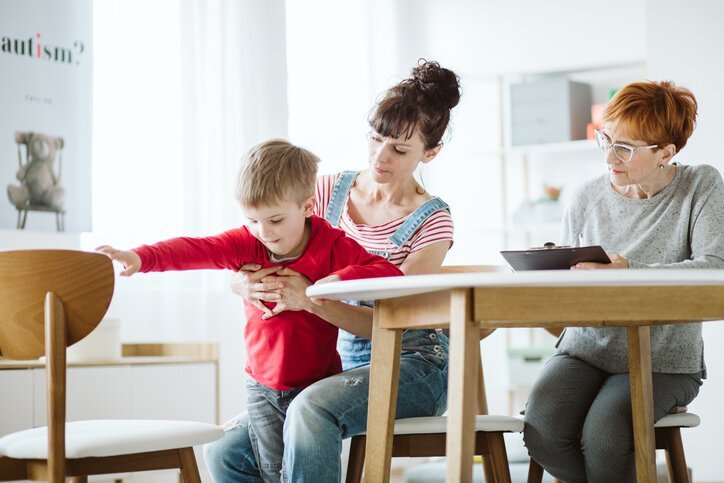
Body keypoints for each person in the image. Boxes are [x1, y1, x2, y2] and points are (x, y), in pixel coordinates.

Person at [203, 60, 461, 482]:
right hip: (339, 363)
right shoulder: (323, 192)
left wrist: (310, 300)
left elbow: (392, 321)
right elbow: (257, 246)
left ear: (430, 153)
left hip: (413, 362)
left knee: (310, 408)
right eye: (376, 138)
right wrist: (241, 284)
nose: (380, 156)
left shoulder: (433, 221)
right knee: (227, 451)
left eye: (398, 149)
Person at [96, 139, 403, 483]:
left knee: (300, 465)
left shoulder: (331, 245)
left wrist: (326, 285)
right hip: (263, 388)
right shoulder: (247, 243)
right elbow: (194, 249)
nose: (264, 233)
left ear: (307, 207)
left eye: (274, 220)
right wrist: (141, 258)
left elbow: (387, 272)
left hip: (316, 381)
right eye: (253, 220)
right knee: (275, 472)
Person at [523, 80, 724, 482]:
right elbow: (564, 281)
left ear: (666, 151)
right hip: (584, 350)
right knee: (541, 431)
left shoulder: (700, 185)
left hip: (662, 361)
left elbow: (714, 269)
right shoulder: (584, 197)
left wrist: (629, 272)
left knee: (605, 436)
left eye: (626, 148)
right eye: (607, 140)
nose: (611, 157)